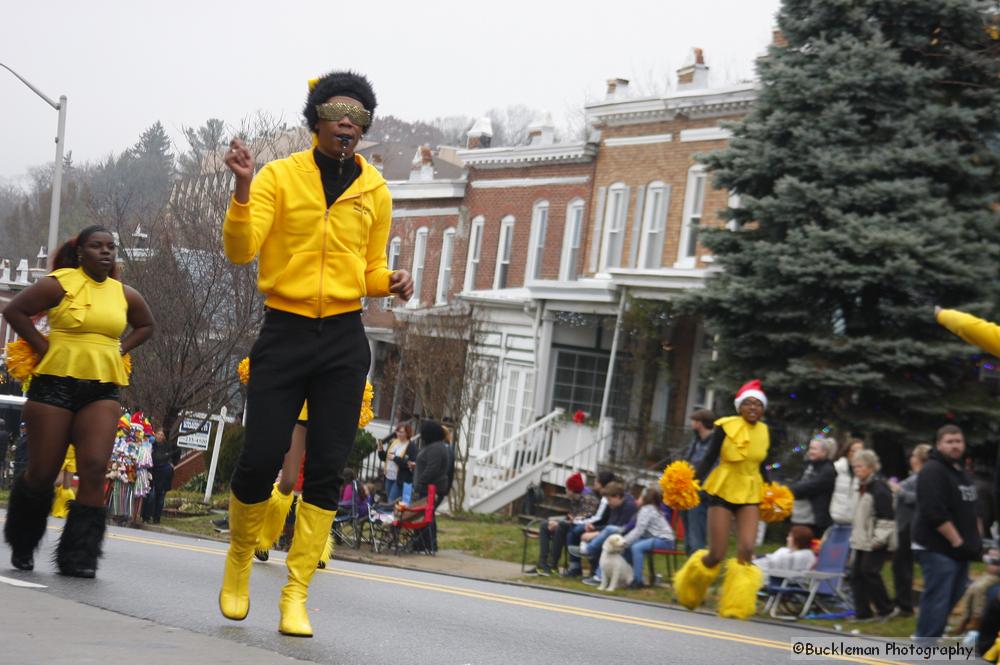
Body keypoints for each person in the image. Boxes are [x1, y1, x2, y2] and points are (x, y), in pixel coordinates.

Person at [219, 70, 414, 637]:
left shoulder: (374, 190)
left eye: (359, 116)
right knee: (259, 459)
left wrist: (392, 281)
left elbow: (369, 268)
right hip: (284, 332)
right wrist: (241, 189)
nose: (348, 123)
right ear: (317, 120)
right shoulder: (279, 177)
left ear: (365, 128)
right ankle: (237, 562)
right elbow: (240, 250)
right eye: (338, 113)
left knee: (326, 468)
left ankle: (296, 592)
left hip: (344, 340)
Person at [1, 225, 155, 576]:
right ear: (81, 252)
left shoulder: (125, 294)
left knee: (94, 468)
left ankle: (79, 558)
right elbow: (15, 311)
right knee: (41, 472)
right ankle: (23, 545)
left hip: (101, 390)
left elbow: (146, 326)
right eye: (97, 246)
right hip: (53, 386)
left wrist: (121, 348)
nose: (106, 253)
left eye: (111, 248)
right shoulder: (59, 283)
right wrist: (43, 348)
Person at [674, 379, 771, 619]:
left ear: (763, 409)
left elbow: (762, 465)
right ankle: (688, 589)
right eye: (748, 403)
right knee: (716, 553)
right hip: (723, 490)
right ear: (739, 407)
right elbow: (707, 459)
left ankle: (736, 606)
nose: (752, 408)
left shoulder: (765, 431)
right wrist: (690, 482)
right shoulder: (725, 427)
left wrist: (772, 491)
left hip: (751, 491)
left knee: (747, 548)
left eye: (758, 404)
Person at [913, 424, 982, 642]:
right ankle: (925, 642)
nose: (955, 446)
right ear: (939, 444)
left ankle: (932, 634)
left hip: (959, 549)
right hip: (937, 545)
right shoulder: (932, 471)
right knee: (939, 595)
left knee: (954, 593)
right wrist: (957, 542)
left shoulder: (960, 471)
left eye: (958, 441)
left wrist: (974, 542)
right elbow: (935, 513)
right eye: (950, 442)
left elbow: (972, 509)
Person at [848, 449, 897, 621]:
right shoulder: (861, 486)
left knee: (870, 572)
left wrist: (878, 539)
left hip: (874, 540)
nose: (856, 470)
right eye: (854, 467)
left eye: (860, 466)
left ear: (870, 467)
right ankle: (862, 612)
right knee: (856, 575)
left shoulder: (879, 487)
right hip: (861, 539)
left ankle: (886, 609)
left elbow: (886, 517)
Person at [525, 472, 599, 576]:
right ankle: (542, 563)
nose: (565, 490)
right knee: (544, 524)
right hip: (571, 525)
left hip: (583, 528)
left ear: (572, 490)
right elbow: (570, 516)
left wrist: (560, 522)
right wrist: (554, 521)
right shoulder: (574, 498)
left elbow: (583, 518)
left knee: (561, 526)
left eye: (566, 488)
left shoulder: (589, 499)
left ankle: (552, 565)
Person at [889, 443, 931, 617]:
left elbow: (920, 498)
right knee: (899, 565)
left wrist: (899, 490)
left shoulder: (924, 477)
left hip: (909, 525)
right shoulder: (915, 476)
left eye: (914, 455)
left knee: (902, 564)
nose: (911, 458)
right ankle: (901, 601)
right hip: (903, 523)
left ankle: (905, 604)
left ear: (920, 459)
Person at [573, 481, 639, 584]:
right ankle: (596, 571)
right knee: (592, 532)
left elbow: (620, 530)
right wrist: (595, 528)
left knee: (606, 538)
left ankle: (588, 551)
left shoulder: (629, 506)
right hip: (615, 534)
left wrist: (595, 534)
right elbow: (610, 525)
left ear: (617, 496)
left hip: (627, 537)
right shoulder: (615, 505)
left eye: (609, 499)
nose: (608, 502)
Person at [561, 470, 616, 577]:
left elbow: (598, 517)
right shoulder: (602, 496)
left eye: (596, 481)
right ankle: (575, 565)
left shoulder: (604, 498)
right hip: (600, 524)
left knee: (575, 530)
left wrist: (579, 522)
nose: (594, 483)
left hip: (603, 526)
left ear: (601, 484)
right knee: (572, 529)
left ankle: (580, 565)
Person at [621, 487, 675, 589]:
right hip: (660, 538)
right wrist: (626, 542)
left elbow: (638, 531)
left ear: (644, 498)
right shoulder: (651, 508)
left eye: (640, 496)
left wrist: (624, 541)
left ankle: (638, 580)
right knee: (632, 545)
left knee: (636, 547)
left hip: (664, 540)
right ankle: (628, 575)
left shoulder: (647, 510)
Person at [681, 408, 715, 553]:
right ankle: (690, 564)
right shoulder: (695, 441)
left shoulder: (714, 442)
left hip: (701, 493)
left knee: (697, 536)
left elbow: (713, 467)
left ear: (701, 423)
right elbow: (688, 461)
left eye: (694, 421)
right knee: (688, 537)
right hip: (687, 492)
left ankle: (698, 567)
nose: (692, 425)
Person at [789, 437, 836, 537]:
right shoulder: (808, 466)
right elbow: (797, 483)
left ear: (824, 452)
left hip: (813, 522)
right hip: (799, 516)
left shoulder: (827, 471)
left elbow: (808, 487)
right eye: (810, 448)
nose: (810, 452)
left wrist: (785, 490)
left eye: (814, 449)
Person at [141, 428, 181, 524]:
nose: (159, 436)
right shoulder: (151, 445)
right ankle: (146, 516)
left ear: (164, 437)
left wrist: (173, 464)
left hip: (164, 476)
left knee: (160, 497)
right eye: (158, 434)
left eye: (161, 435)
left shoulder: (168, 446)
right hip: (153, 473)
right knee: (151, 496)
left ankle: (156, 518)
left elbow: (178, 452)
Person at [829, 438, 866, 526]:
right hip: (834, 519)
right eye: (853, 451)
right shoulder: (836, 468)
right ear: (847, 452)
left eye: (860, 451)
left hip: (854, 522)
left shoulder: (865, 474)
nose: (856, 454)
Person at [378, 423, 414, 503]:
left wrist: (395, 458)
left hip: (399, 478)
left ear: (407, 433)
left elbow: (408, 464)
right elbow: (385, 458)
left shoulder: (411, 446)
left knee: (391, 500)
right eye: (397, 431)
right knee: (390, 500)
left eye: (401, 432)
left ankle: (393, 515)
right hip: (388, 476)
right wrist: (380, 450)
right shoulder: (394, 443)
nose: (398, 434)